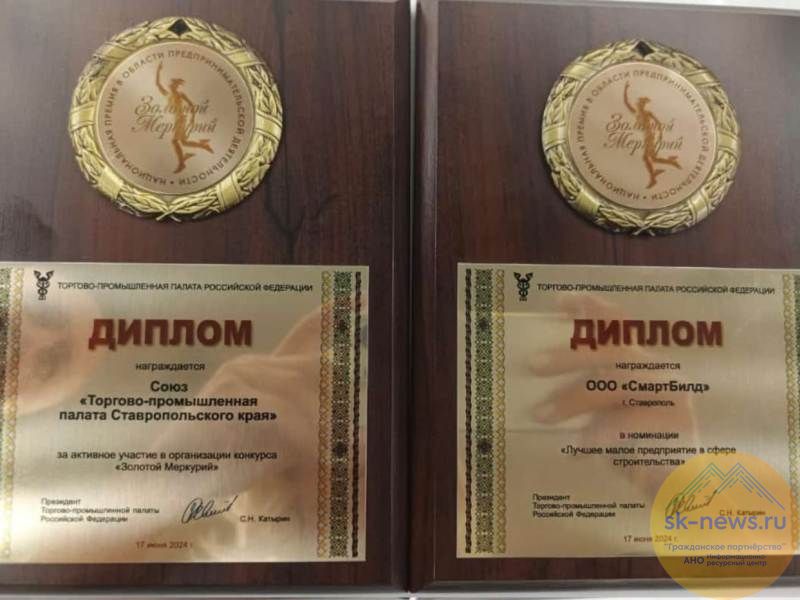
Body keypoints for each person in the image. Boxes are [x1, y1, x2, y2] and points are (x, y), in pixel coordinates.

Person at [156, 61, 213, 173]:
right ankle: (203, 144)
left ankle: (182, 163)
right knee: (184, 142)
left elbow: (191, 105)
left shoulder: (180, 94)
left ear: (176, 86)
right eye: (170, 84)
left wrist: (192, 118)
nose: (169, 85)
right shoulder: (167, 94)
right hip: (176, 120)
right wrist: (158, 70)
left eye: (172, 84)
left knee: (174, 141)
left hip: (181, 119)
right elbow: (158, 84)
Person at [624, 81, 681, 189]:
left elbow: (658, 123)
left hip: (649, 137)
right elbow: (626, 102)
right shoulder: (636, 112)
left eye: (640, 103)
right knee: (653, 159)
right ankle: (669, 163)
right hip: (646, 137)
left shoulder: (647, 113)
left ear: (642, 105)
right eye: (638, 103)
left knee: (646, 158)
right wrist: (625, 89)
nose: (637, 104)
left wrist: (660, 134)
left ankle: (654, 177)